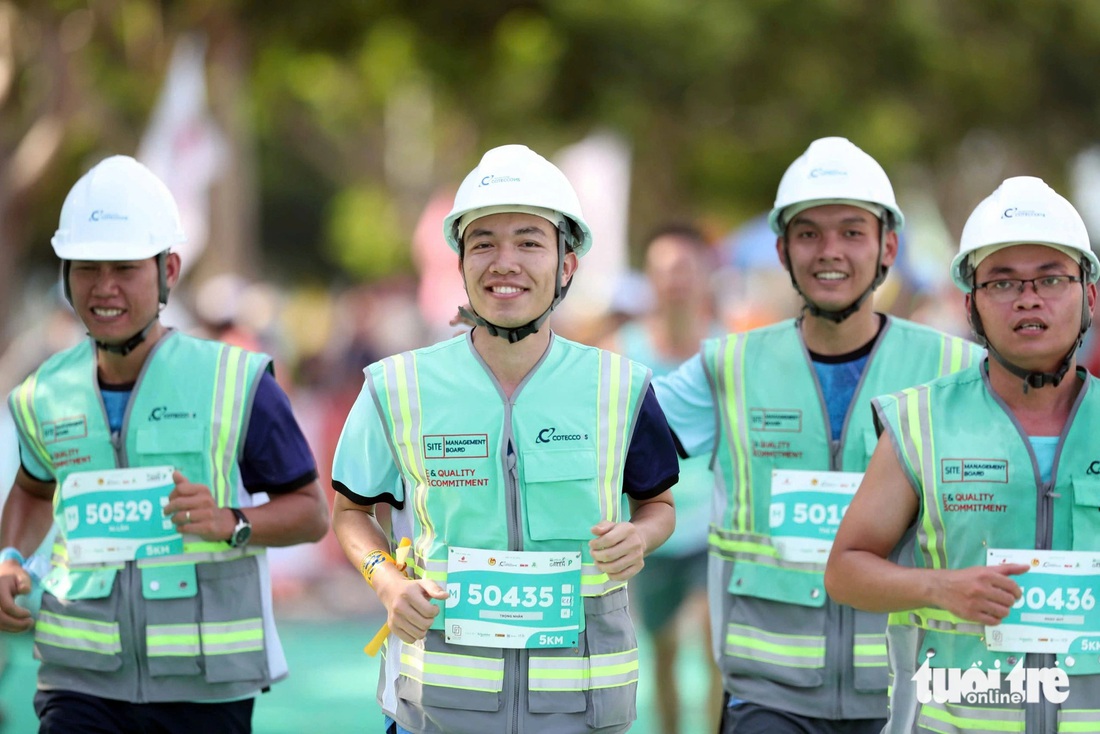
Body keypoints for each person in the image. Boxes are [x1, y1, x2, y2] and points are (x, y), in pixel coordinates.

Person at [330, 144, 679, 734]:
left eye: (529, 242)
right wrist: (386, 579)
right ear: (460, 263)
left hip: (582, 711)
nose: (505, 261)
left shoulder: (620, 387)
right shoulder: (397, 386)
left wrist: (640, 536)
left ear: (567, 265)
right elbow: (349, 513)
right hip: (438, 707)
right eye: (484, 242)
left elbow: (659, 505)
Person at [652, 136, 983, 733]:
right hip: (765, 701)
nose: (830, 250)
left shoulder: (953, 371)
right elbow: (608, 443)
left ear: (889, 247)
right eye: (809, 233)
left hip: (905, 697)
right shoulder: (728, 367)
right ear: (782, 248)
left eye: (852, 231)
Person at [0, 155, 330, 734]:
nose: (103, 288)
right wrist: (6, 560)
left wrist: (231, 521)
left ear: (168, 270)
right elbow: (30, 490)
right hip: (78, 681)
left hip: (204, 689)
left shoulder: (237, 381)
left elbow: (311, 514)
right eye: (85, 268)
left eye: (125, 268)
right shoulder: (41, 393)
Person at [826, 176, 1100, 732]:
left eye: (1051, 278)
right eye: (1002, 283)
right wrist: (939, 587)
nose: (1029, 297)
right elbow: (845, 571)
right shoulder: (919, 423)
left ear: (1089, 295)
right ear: (970, 304)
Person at [601, 223, 723, 734]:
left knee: (713, 640)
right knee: (665, 650)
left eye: (684, 269)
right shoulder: (618, 352)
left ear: (705, 275)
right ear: (648, 279)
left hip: (714, 528)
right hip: (649, 526)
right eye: (663, 271)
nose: (674, 282)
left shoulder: (729, 352)